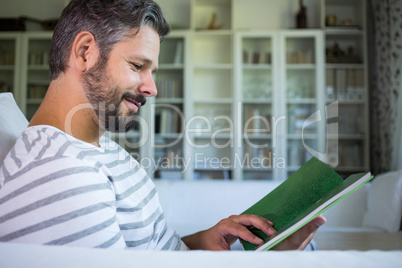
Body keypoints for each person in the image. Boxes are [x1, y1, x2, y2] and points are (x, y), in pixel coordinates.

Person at [0, 0, 325, 251]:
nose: (152, 88)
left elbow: (151, 250)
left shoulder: (98, 148)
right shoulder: (60, 175)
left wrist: (206, 241)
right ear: (85, 52)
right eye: (138, 65)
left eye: (152, 71)